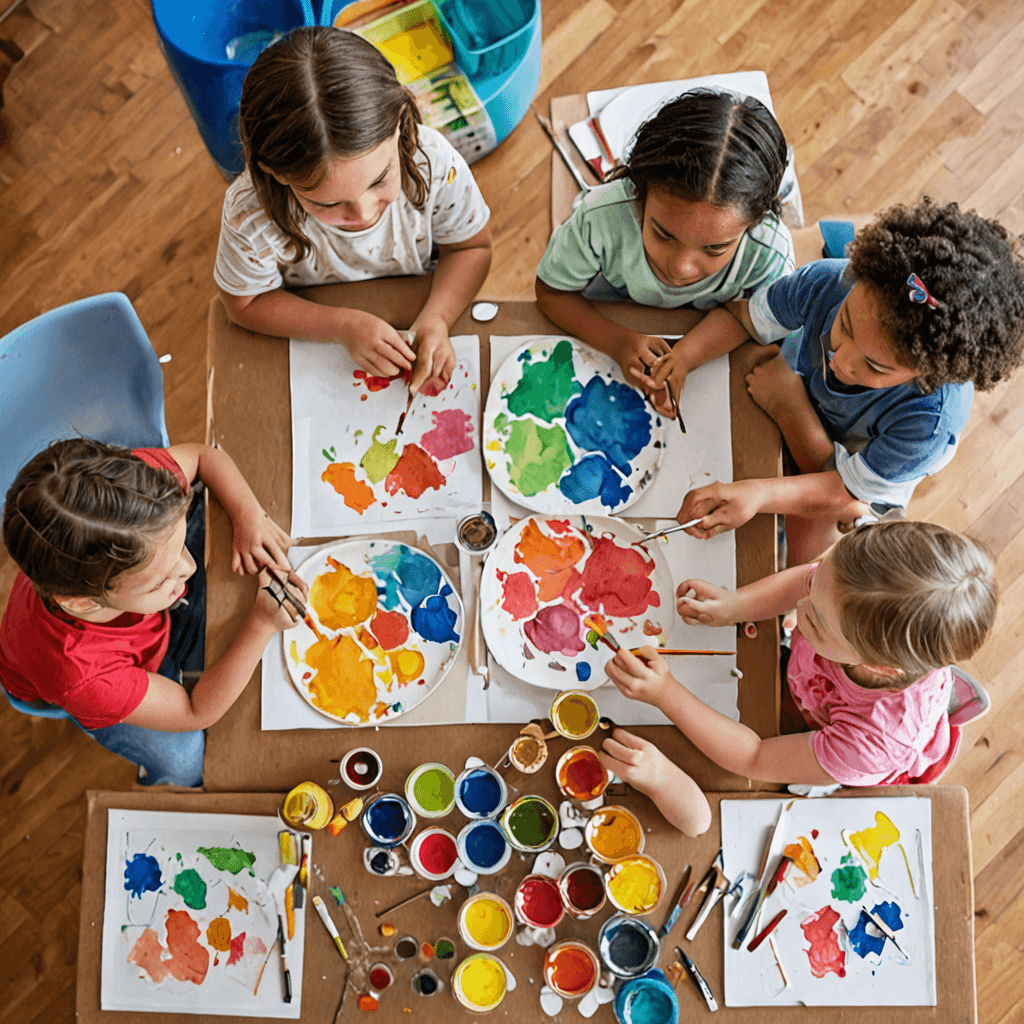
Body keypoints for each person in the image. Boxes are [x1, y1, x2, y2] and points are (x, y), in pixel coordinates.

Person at [677, 198, 1024, 563]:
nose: (839, 360)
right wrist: (683, 357)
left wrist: (763, 484)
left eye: (875, 366)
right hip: (793, 395)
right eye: (844, 325)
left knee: (828, 546)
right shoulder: (829, 281)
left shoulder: (930, 424)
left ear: (929, 375)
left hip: (852, 479)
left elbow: (844, 492)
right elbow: (746, 318)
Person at [598, 521, 996, 801]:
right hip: (816, 688)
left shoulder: (871, 742)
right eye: (814, 585)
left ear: (879, 666)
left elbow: (755, 758)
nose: (799, 610)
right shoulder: (854, 587)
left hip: (838, 749)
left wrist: (666, 694)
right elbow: (806, 581)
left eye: (816, 621)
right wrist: (736, 606)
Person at [0, 439, 305, 787]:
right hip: (105, 673)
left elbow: (203, 457)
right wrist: (261, 624)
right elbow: (194, 711)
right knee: (184, 761)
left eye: (180, 547)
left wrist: (247, 515)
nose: (189, 568)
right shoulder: (84, 679)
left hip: (130, 616)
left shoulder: (135, 496)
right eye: (160, 581)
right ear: (83, 603)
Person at [214, 27, 492, 393]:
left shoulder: (435, 164)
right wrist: (340, 327)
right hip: (312, 329)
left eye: (380, 180)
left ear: (399, 125)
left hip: (423, 299)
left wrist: (438, 317)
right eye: (328, 203)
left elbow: (473, 248)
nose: (363, 214)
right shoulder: (248, 217)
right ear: (277, 174)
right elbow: (244, 304)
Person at [535, 88, 795, 413]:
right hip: (607, 309)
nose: (680, 268)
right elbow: (551, 291)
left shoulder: (769, 253)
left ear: (754, 222)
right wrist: (616, 341)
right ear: (639, 192)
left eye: (714, 248)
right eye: (663, 234)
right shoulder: (600, 218)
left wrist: (688, 355)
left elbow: (756, 315)